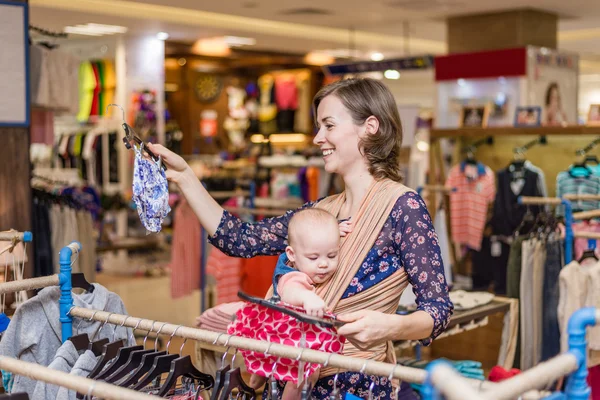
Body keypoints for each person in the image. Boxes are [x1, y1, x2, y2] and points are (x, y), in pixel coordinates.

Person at [147, 77, 453, 398]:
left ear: (370, 127)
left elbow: (438, 309)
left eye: (329, 125)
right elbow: (240, 239)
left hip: (348, 386)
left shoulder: (403, 207)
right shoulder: (322, 210)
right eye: (318, 127)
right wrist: (185, 177)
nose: (318, 137)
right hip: (287, 382)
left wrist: (393, 327)